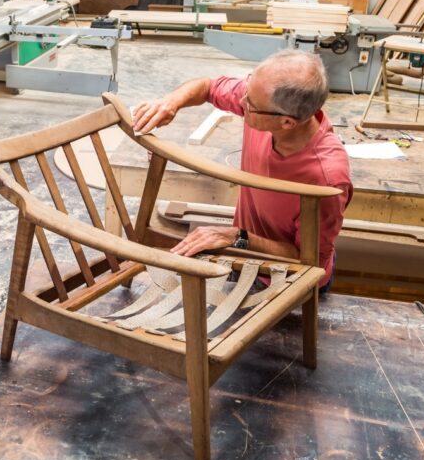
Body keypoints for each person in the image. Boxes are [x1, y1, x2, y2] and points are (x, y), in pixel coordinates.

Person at [131, 49, 352, 290]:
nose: (241, 102)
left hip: (284, 281)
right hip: (244, 256)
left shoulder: (326, 179)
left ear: (286, 122)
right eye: (246, 91)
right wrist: (170, 103)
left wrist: (237, 237)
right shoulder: (264, 101)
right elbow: (208, 87)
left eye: (250, 104)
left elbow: (308, 261)